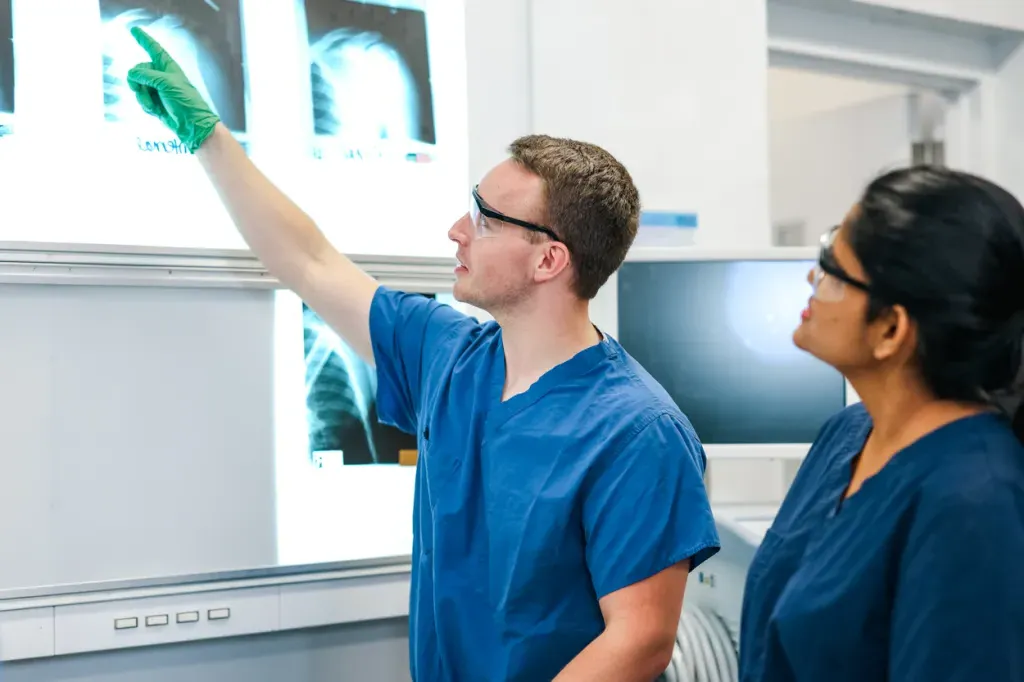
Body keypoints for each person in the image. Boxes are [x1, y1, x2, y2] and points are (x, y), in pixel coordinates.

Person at [125, 28, 720, 681]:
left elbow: (639, 642)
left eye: (487, 220)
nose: (457, 231)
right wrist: (207, 134)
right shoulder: (449, 355)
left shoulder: (638, 433)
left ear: (550, 259)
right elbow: (309, 260)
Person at [740, 166, 1024, 681]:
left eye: (831, 266)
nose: (812, 278)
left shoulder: (973, 501)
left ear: (891, 328)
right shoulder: (845, 435)